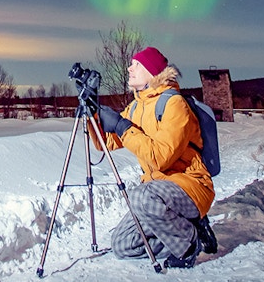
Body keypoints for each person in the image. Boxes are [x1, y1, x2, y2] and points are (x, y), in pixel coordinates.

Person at [93, 46, 216, 268]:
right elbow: (107, 143)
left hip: (189, 186)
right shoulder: (136, 107)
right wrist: (92, 113)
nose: (129, 68)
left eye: (136, 64)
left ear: (152, 72)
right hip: (157, 194)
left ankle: (188, 244)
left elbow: (160, 158)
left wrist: (123, 127)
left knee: (141, 197)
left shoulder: (174, 104)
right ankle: (189, 228)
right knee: (122, 245)